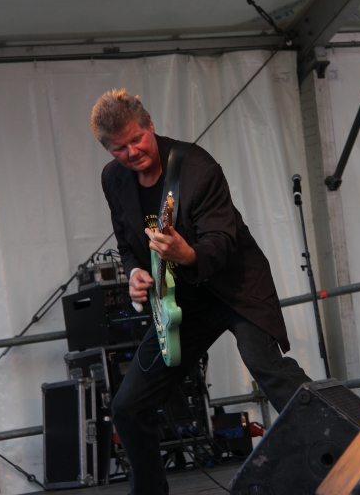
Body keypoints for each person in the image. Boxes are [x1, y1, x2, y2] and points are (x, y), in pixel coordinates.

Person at [90, 88, 311, 495]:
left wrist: (187, 253)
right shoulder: (112, 179)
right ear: (107, 148)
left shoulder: (197, 167)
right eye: (120, 148)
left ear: (150, 124)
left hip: (234, 286)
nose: (132, 152)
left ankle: (357, 455)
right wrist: (135, 272)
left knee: (269, 370)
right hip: (181, 301)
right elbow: (126, 242)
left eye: (137, 139)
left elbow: (223, 241)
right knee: (127, 407)